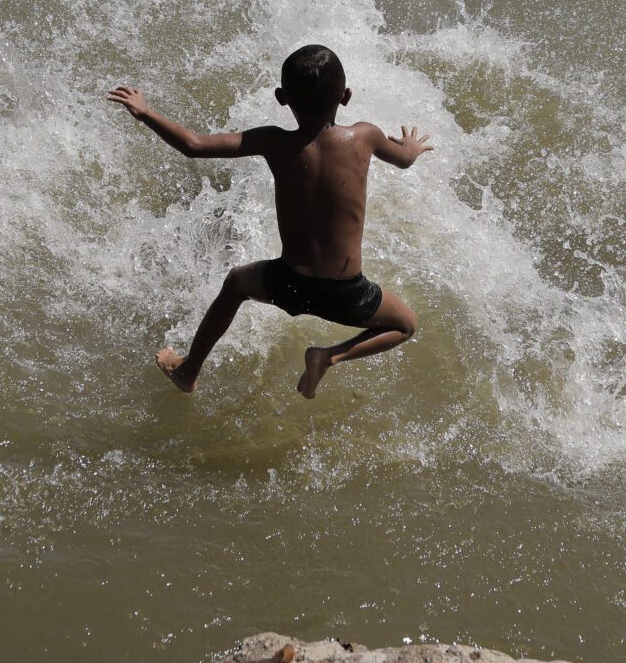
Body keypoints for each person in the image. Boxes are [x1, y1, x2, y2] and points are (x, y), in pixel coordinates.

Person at [108, 44, 429, 399]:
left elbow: (194, 145)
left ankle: (187, 371)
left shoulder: (273, 141)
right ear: (346, 96)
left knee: (236, 283)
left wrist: (145, 112)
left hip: (288, 283)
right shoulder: (365, 135)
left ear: (281, 97)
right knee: (405, 324)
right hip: (345, 293)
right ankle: (329, 356)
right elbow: (403, 159)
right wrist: (411, 147)